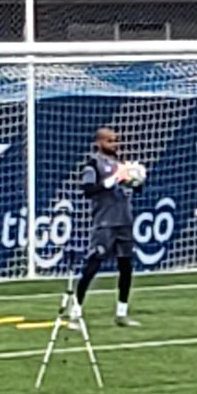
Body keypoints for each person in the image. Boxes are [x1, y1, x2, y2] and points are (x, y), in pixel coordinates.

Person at [67, 127, 142, 328]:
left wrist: (136, 180)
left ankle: (122, 313)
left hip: (124, 221)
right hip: (105, 223)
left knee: (126, 267)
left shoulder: (120, 165)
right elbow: (88, 190)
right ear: (99, 143)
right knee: (93, 266)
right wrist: (110, 181)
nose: (114, 144)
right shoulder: (93, 164)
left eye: (116, 140)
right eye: (110, 141)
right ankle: (75, 312)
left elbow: (134, 189)